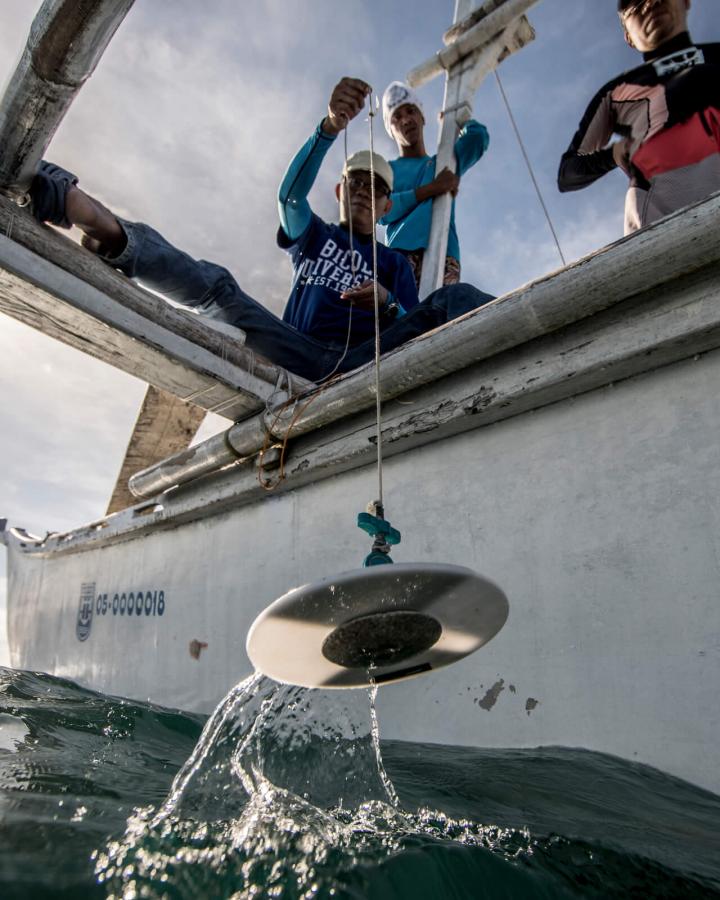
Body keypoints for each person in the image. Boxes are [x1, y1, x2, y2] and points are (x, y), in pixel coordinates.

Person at [28, 78, 494, 384]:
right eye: (354, 184)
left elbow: (415, 321)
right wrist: (330, 127)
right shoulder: (315, 236)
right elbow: (289, 198)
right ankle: (104, 228)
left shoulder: (392, 262)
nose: (362, 194)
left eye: (375, 190)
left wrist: (386, 303)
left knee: (452, 300)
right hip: (295, 352)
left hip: (361, 364)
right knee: (222, 289)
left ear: (387, 205)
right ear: (338, 190)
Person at [558, 0, 720, 234]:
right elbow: (568, 172)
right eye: (633, 4)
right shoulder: (615, 93)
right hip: (664, 227)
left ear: (685, 1)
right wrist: (614, 153)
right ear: (628, 37)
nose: (650, 4)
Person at [380, 81, 490, 288]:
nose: (406, 120)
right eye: (397, 117)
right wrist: (431, 189)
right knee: (404, 316)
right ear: (390, 129)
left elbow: (478, 138)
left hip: (445, 252)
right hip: (401, 254)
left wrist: (456, 120)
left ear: (422, 117)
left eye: (411, 111)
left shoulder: (444, 162)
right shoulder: (388, 171)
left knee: (441, 314)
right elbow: (382, 211)